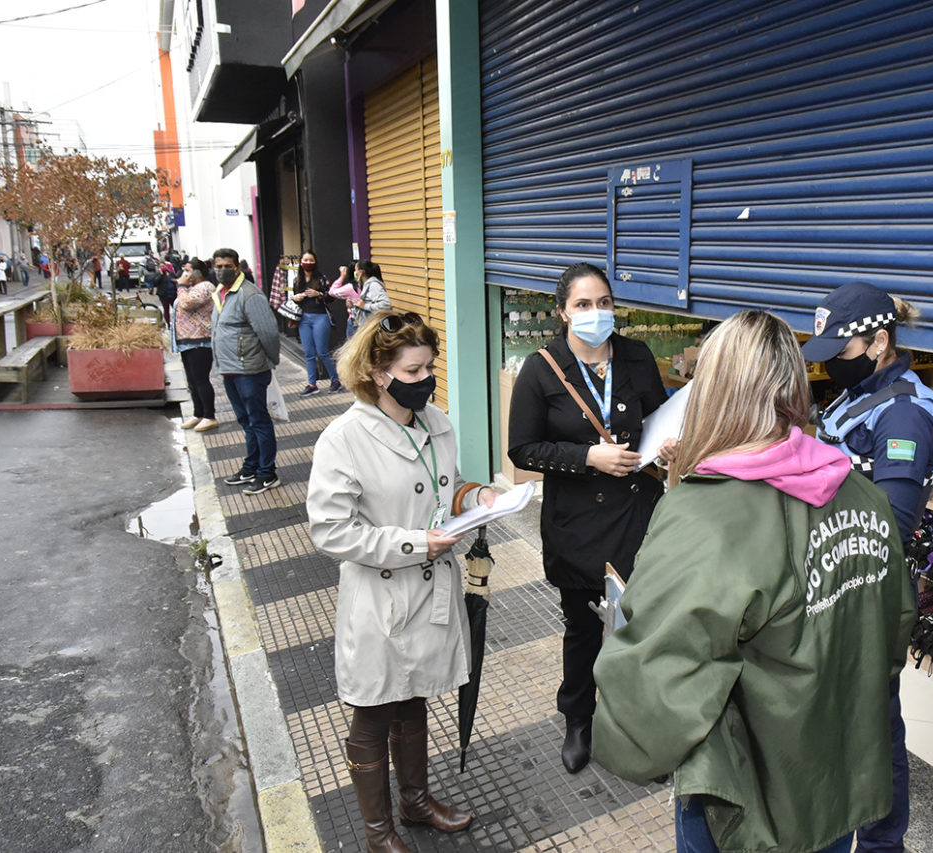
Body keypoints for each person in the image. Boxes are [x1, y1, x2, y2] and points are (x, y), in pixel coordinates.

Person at [592, 309, 915, 853]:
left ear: (712, 392)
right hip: (835, 782)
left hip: (742, 797)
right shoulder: (863, 495)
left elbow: (653, 683)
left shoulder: (705, 515)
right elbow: (891, 631)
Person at [307, 310, 497, 852]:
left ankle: (415, 803)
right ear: (377, 372)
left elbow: (445, 485)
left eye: (429, 369)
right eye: (413, 372)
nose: (425, 381)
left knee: (414, 700)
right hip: (381, 596)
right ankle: (376, 831)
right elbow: (330, 530)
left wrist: (474, 496)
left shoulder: (435, 421)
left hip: (431, 589)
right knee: (372, 714)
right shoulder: (344, 438)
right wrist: (415, 544)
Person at [800, 280, 933, 853]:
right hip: (838, 574)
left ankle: (885, 843)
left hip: (875, 588)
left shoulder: (906, 414)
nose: (832, 366)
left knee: (874, 721)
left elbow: (893, 522)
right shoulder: (859, 393)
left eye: (839, 352)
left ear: (878, 342)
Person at [506, 261, 669, 774]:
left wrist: (666, 449)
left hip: (638, 515)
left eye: (604, 303)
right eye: (583, 305)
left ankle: (638, 725)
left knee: (641, 626)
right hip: (576, 521)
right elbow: (522, 450)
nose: (596, 314)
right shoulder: (542, 368)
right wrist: (586, 458)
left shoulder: (637, 356)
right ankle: (579, 719)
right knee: (582, 626)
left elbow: (661, 417)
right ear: (562, 312)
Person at [211, 248, 282, 495]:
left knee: (259, 421)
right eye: (217, 266)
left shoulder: (249, 294)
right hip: (230, 370)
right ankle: (251, 466)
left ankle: (267, 473)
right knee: (246, 421)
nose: (221, 270)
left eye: (226, 266)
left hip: (249, 370)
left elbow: (269, 332)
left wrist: (271, 359)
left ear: (237, 268)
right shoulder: (220, 294)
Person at [173, 257, 218, 433]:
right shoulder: (192, 288)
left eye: (189, 270)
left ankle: (209, 415)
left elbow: (187, 303)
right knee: (192, 380)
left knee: (201, 379)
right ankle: (198, 413)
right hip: (187, 341)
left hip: (200, 340)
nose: (186, 274)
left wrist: (182, 286)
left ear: (199, 272)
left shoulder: (205, 287)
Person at [290, 250, 341, 396]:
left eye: (311, 260)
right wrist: (296, 297)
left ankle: (335, 380)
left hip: (320, 317)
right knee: (309, 353)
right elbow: (293, 297)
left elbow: (331, 297)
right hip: (303, 318)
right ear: (300, 262)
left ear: (315, 262)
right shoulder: (297, 280)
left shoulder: (321, 279)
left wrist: (319, 294)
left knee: (322, 351)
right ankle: (312, 384)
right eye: (305, 260)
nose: (308, 263)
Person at [346, 260, 391, 329]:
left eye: (356, 270)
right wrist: (352, 307)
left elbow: (386, 304)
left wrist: (365, 306)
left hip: (374, 329)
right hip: (367, 328)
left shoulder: (373, 285)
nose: (355, 273)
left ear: (361, 272)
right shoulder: (366, 285)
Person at [157, 261, 179, 326]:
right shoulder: (158, 274)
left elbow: (176, 280)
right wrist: (161, 275)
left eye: (163, 266)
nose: (162, 267)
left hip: (173, 294)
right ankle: (168, 324)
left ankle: (176, 323)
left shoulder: (171, 273)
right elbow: (156, 282)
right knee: (166, 310)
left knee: (176, 309)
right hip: (164, 295)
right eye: (160, 266)